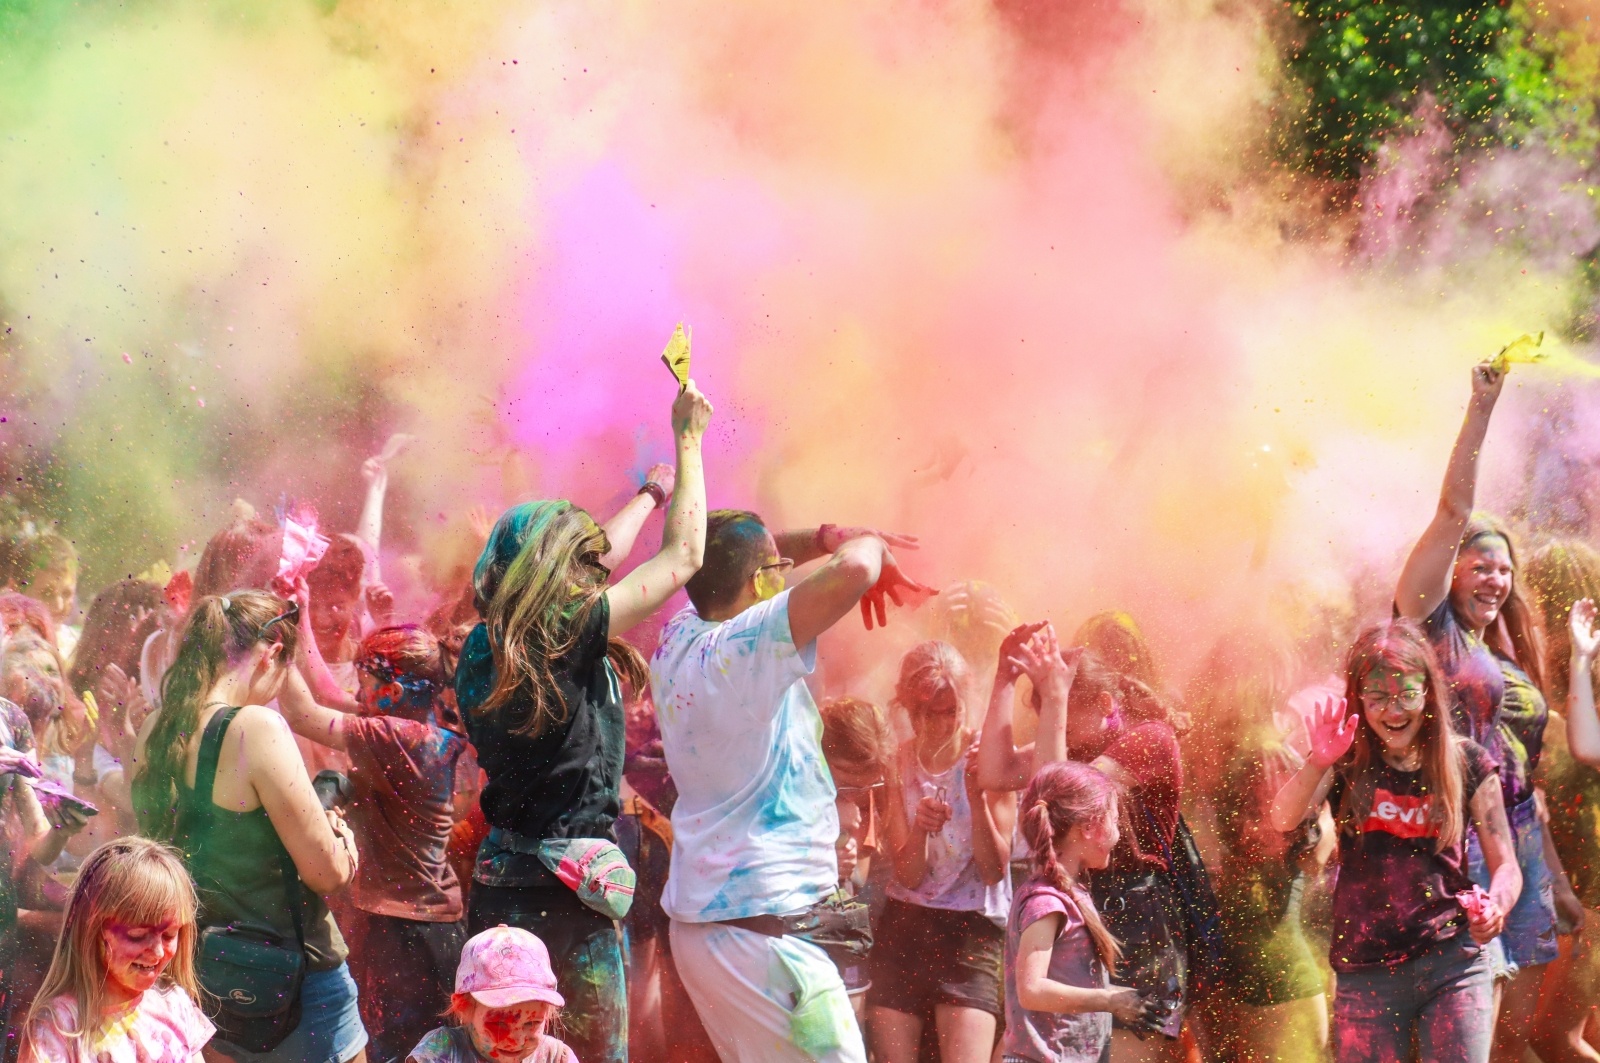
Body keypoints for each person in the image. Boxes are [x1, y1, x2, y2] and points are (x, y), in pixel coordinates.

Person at [455, 381, 713, 1063]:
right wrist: (689, 439)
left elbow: (601, 559)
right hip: (565, 897)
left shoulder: (484, 642)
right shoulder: (564, 632)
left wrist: (650, 495)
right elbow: (683, 558)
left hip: (503, 883)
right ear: (554, 573)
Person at [650, 511, 928, 1063]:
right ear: (758, 583)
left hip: (723, 929)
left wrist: (824, 537)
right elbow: (854, 571)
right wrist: (867, 540)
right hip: (764, 939)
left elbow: (723, 559)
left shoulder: (682, 631)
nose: (785, 573)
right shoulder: (744, 647)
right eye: (776, 568)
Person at [1394, 361, 1561, 1044]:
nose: (1495, 578)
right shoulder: (1427, 625)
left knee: (1501, 1037)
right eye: (1480, 565)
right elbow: (1452, 513)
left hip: (1504, 842)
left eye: (1504, 568)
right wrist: (1481, 410)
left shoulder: (1498, 656)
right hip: (1444, 838)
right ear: (1449, 570)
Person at [1268, 619, 1521, 1063]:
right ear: (1359, 699)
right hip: (1367, 975)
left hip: (1454, 963)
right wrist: (1318, 762)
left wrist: (1496, 905)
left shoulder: (1467, 761)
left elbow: (1507, 866)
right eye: (1378, 697)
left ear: (1428, 694)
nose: (1394, 710)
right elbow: (1283, 819)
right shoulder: (1346, 761)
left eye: (1406, 694)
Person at [129, 591, 365, 1063]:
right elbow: (327, 874)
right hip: (297, 978)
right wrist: (343, 841)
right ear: (271, 653)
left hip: (202, 976)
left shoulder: (154, 728)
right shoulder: (256, 727)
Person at [977, 624, 1194, 1063]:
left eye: (1059, 713)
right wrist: (1004, 677)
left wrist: (1055, 696)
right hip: (1076, 905)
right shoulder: (1073, 742)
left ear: (1105, 704)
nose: (1055, 729)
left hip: (1134, 922)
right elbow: (995, 772)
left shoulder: (1150, 738)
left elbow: (1058, 794)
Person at [283, 610, 469, 1063]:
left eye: (365, 684)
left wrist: (276, 643)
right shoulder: (424, 729)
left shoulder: (393, 736)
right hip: (432, 927)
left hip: (403, 936)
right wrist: (300, 616)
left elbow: (303, 714)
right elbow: (327, 693)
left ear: (394, 692)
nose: (356, 695)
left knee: (393, 1052)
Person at [871, 641, 1015, 1063]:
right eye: (928, 714)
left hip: (971, 931)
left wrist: (977, 796)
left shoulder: (987, 756)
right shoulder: (896, 763)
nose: (940, 724)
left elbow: (994, 870)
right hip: (905, 926)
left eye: (950, 711)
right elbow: (908, 875)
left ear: (965, 703)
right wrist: (920, 829)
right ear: (909, 708)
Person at [1005, 760, 1155, 1063]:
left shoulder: (1073, 894)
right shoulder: (1045, 902)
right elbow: (1031, 990)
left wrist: (1125, 998)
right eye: (1115, 821)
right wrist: (1108, 999)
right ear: (1088, 828)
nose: (1118, 834)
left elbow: (1071, 983)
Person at [19, 837, 213, 1063]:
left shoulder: (173, 1000)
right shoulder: (59, 1025)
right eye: (137, 936)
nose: (158, 952)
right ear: (91, 930)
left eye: (169, 935)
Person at [1523, 542, 1600, 1063]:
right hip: (1560, 893)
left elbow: (1584, 748)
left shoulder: (1581, 702)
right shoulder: (1531, 687)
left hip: (1591, 894)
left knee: (1554, 1037)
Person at [819, 695, 895, 1021]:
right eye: (846, 781)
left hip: (842, 930)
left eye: (866, 784)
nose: (857, 793)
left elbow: (860, 876)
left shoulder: (870, 792)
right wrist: (823, 858)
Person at [406, 925, 577, 1063]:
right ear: (463, 1007)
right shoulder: (442, 1050)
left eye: (532, 1023)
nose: (516, 1040)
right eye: (500, 1024)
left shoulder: (555, 1057)